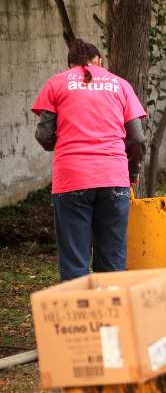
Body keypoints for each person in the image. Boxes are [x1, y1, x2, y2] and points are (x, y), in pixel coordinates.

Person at [32, 39, 146, 281]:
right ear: (99, 61)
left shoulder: (56, 83)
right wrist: (132, 172)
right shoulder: (120, 85)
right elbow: (136, 138)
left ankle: (79, 318)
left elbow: (43, 135)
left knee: (74, 264)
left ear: (70, 64)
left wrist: (62, 143)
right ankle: (112, 318)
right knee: (113, 263)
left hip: (71, 179)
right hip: (114, 178)